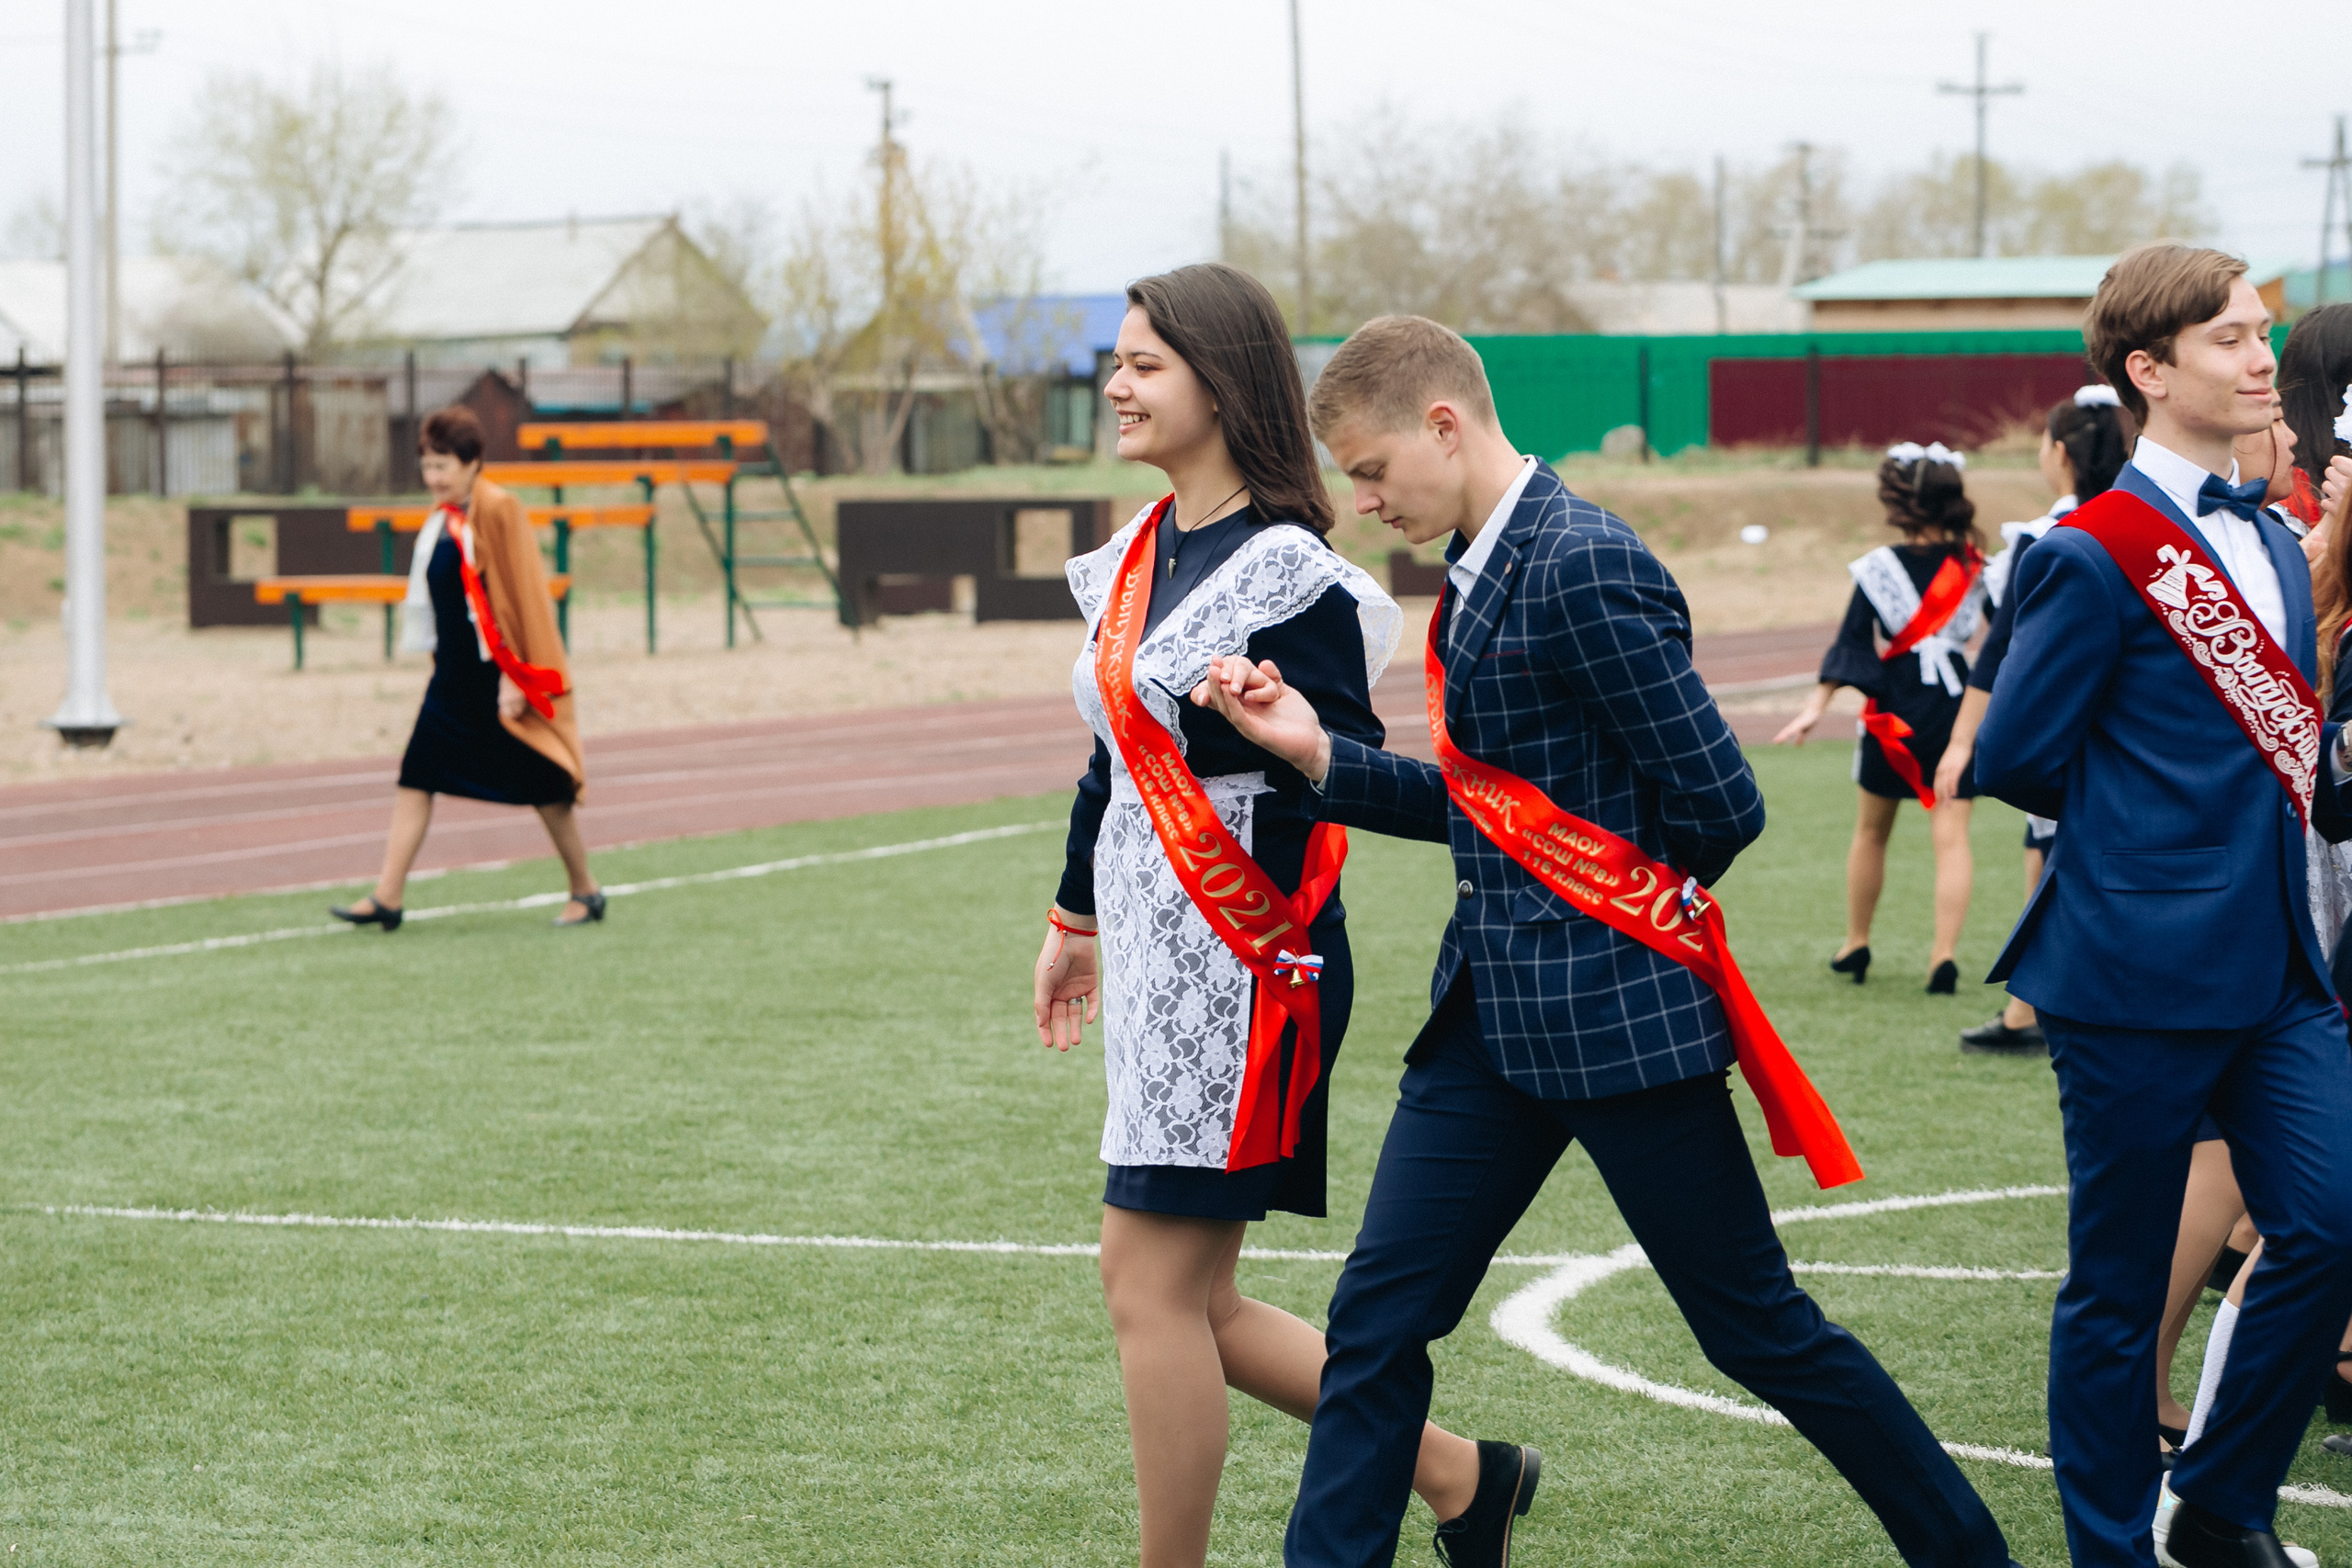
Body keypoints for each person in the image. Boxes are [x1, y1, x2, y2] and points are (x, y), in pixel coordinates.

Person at [1194, 314, 2020, 1568]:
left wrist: (1602, 913)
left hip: (1619, 1023)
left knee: (1757, 1329)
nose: (1362, 502)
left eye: (1369, 470)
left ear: (1443, 425)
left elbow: (1721, 803)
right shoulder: (1480, 563)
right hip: (1485, 1023)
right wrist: (1317, 754)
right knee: (1375, 1321)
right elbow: (1497, 811)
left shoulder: (1581, 561)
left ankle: (1967, 1552)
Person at [1026, 265, 1523, 1568]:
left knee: (1147, 1285)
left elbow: (1337, 765)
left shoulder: (1290, 575)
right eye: (1119, 362)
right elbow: (1115, 755)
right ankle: (1463, 1474)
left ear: (1221, 381)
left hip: (1244, 961)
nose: (1117, 385)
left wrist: (1261, 744)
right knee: (1198, 1297)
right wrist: (1074, 914)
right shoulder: (1142, 551)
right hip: (1152, 948)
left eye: (1144, 364)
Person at [1974, 243, 2352, 1568]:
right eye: (2229, 339)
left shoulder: (2271, 537)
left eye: (2263, 334)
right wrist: (2156, 831)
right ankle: (2110, 1550)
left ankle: (2223, 1507)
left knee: (2331, 1224)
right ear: (2149, 369)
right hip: (2131, 966)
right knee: (2121, 1286)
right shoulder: (2093, 552)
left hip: (2280, 961)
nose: (2262, 359)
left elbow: (2285, 749)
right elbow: (2015, 754)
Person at [331, 406, 600, 931]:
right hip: (452, 677)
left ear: (473, 462)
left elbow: (522, 593)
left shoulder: (499, 508)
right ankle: (388, 897)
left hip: (496, 678)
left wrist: (514, 677)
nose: (433, 478)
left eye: (443, 466)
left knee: (546, 786)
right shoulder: (441, 518)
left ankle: (585, 890)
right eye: (427, 466)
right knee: (416, 776)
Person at [1938, 387, 2132, 1054]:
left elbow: (1998, 650)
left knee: (2061, 860)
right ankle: (2028, 1005)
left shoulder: (2048, 537)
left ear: (2061, 454)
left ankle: (2051, 1005)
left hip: (2063, 731)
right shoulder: (2147, 525)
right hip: (2131, 734)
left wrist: (1961, 741)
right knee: (2051, 854)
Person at [1773, 443, 1988, 993]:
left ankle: (1857, 941)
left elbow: (1851, 643)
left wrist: (1815, 707)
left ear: (1899, 502)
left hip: (1894, 712)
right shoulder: (1975, 566)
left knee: (1871, 832)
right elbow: (2006, 640)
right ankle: (1943, 956)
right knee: (1952, 837)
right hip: (1956, 710)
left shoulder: (1878, 567)